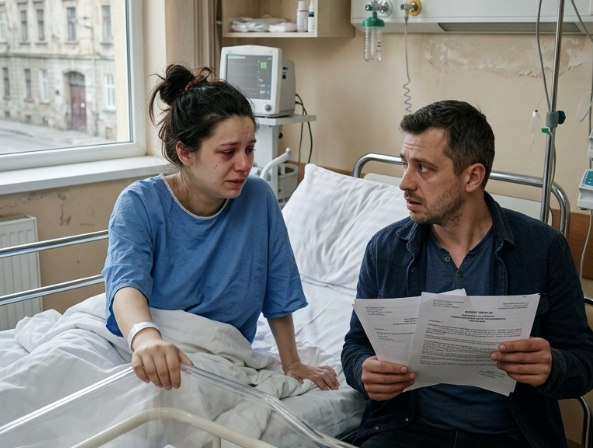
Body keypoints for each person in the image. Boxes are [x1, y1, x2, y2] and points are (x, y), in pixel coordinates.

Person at [341, 100, 593, 448]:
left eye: (423, 168)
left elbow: (584, 361)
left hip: (509, 436)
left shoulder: (543, 250)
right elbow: (355, 345)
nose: (405, 182)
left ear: (472, 177)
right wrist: (362, 370)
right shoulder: (385, 251)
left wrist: (553, 366)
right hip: (406, 428)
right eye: (404, 164)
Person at [103, 64, 338, 393]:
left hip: (216, 351)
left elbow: (278, 289)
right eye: (228, 152)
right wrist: (145, 338)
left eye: (249, 149)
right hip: (142, 338)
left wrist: (292, 363)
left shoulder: (258, 199)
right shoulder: (140, 203)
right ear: (185, 152)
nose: (244, 164)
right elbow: (125, 283)